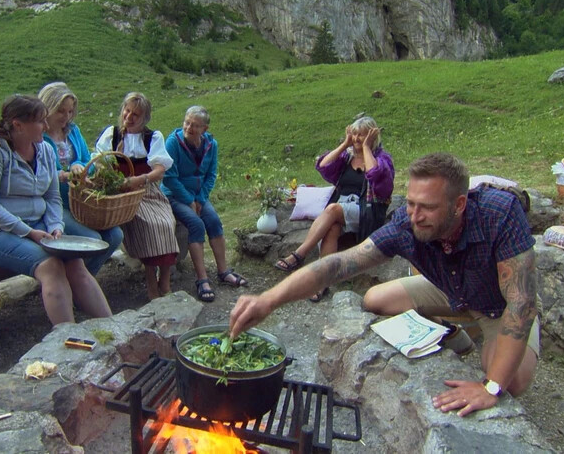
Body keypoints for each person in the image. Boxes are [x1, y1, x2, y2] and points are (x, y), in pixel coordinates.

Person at [230, 152, 539, 417]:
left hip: (497, 306)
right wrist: (267, 300)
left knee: (510, 381)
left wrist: (491, 387)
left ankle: (485, 348)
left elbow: (521, 302)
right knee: (375, 299)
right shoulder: (406, 225)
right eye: (411, 204)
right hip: (449, 291)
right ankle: (454, 335)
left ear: (459, 204)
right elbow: (336, 264)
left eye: (427, 207)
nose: (415, 217)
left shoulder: (500, 214)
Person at [0, 94, 112, 325]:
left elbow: (52, 196)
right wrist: (28, 232)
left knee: (74, 262)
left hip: (36, 224)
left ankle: (114, 328)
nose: (46, 126)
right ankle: (67, 337)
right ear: (18, 125)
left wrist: (55, 226)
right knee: (51, 266)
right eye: (40, 121)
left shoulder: (44, 150)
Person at [273, 116, 394, 302]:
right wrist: (344, 145)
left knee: (332, 209)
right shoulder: (347, 158)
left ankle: (299, 254)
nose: (356, 139)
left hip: (367, 212)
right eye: (354, 134)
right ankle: (322, 283)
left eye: (361, 135)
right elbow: (323, 166)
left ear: (371, 136)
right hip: (342, 213)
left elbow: (374, 174)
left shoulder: (383, 159)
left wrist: (368, 148)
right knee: (332, 229)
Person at [95, 92, 179, 300]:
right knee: (147, 225)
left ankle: (165, 280)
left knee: (167, 222)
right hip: (122, 195)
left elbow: (159, 170)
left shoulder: (152, 137)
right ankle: (151, 280)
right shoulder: (112, 135)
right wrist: (110, 179)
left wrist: (139, 180)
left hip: (147, 190)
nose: (129, 116)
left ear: (144, 118)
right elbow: (99, 162)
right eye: (128, 111)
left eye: (136, 114)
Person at [162, 106, 247, 302]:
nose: (189, 127)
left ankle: (223, 271)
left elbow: (211, 175)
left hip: (198, 195)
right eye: (187, 122)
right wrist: (189, 200)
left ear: (205, 129)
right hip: (175, 195)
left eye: (195, 125)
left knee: (214, 221)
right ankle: (202, 280)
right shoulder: (173, 143)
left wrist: (199, 199)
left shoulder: (211, 144)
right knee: (196, 224)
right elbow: (169, 178)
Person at [38, 82, 123, 275]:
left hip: (81, 200)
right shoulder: (39, 136)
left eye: (69, 112)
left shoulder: (73, 130)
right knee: (91, 238)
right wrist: (64, 175)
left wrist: (79, 164)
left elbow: (87, 159)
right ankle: (76, 283)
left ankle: (84, 280)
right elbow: (37, 174)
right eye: (61, 111)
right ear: (47, 108)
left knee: (115, 235)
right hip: (55, 203)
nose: (66, 117)